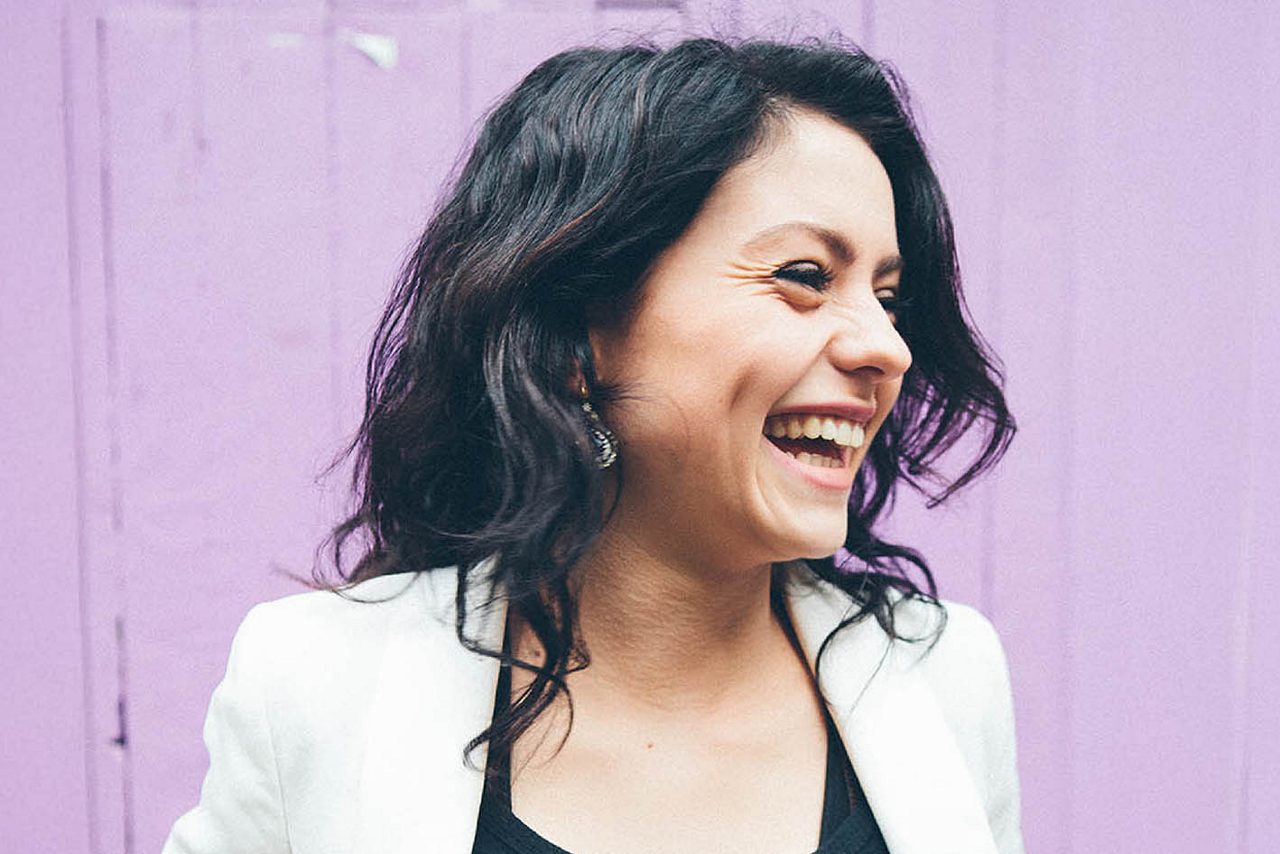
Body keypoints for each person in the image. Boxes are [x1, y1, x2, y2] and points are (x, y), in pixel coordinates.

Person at [163, 33, 1022, 854]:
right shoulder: (316, 686)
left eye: (887, 297)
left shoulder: (946, 678)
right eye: (804, 277)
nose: (887, 348)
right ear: (577, 340)